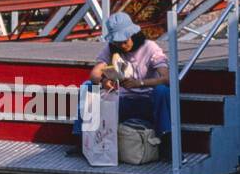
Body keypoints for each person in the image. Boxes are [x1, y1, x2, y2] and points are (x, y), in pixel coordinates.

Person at [71, 11, 172, 153]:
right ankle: (82, 139)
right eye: (118, 43)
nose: (123, 45)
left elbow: (167, 78)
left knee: (162, 90)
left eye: (125, 41)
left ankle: (167, 139)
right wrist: (104, 81)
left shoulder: (150, 47)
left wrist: (140, 83)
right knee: (87, 86)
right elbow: (94, 73)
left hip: (147, 100)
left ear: (133, 35)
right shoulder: (111, 49)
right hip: (121, 100)